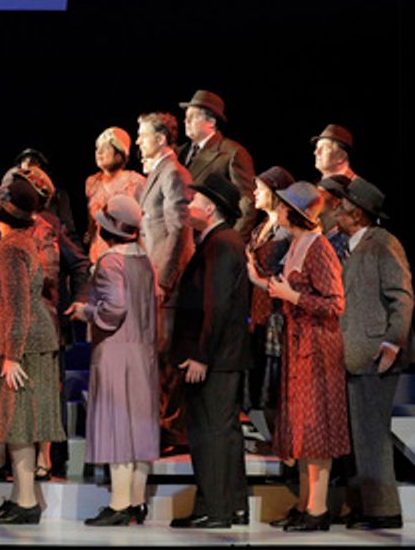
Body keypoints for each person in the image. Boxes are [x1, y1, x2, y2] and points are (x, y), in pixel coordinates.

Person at [246, 181, 350, 532]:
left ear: (295, 212)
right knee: (302, 429)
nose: (279, 209)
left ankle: (317, 511)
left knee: (316, 429)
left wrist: (294, 298)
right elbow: (288, 290)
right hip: (298, 345)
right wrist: (261, 282)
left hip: (318, 350)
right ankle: (306, 504)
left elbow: (335, 304)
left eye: (284, 205)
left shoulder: (319, 248)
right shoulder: (298, 244)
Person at [0, 178, 65, 525]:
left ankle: (27, 501)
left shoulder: (14, 248)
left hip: (24, 347)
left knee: (20, 423)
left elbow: (19, 306)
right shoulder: (12, 243)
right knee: (16, 425)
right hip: (20, 343)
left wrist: (12, 354)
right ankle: (20, 497)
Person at [68, 195, 158, 527]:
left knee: (118, 423)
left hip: (117, 352)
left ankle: (120, 505)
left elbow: (114, 307)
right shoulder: (144, 260)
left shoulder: (110, 261)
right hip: (143, 352)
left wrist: (85, 311)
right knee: (139, 426)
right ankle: (136, 501)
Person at [336, 178, 415, 530]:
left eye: (341, 207)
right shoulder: (352, 245)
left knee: (372, 433)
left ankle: (384, 511)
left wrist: (392, 341)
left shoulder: (382, 243)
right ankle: (369, 505)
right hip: (356, 352)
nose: (335, 211)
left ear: (356, 213)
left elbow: (402, 296)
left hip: (377, 353)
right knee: (361, 434)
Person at [168, 175, 251, 529]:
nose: (188, 205)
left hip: (216, 358)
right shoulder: (220, 241)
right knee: (221, 431)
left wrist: (202, 354)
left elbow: (216, 305)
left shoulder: (221, 244)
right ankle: (228, 506)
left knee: (211, 433)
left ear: (211, 207)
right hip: (222, 356)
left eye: (194, 199)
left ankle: (216, 509)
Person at [136, 112, 194, 452]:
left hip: (166, 284)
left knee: (167, 361)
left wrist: (165, 280)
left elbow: (179, 228)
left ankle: (172, 434)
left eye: (143, 135)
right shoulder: (159, 172)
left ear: (160, 139)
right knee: (157, 360)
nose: (139, 141)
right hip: (154, 279)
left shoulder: (173, 172)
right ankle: (161, 430)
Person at [245, 166, 294, 439]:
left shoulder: (285, 233)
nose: (254, 193)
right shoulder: (263, 227)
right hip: (260, 311)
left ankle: (284, 445)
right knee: (261, 381)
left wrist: (255, 276)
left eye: (260, 189)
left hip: (278, 314)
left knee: (276, 385)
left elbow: (286, 276)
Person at [177, 90, 256, 234]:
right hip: (179, 236)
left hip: (208, 239)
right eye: (186, 117)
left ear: (211, 122)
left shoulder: (232, 153)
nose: (186, 121)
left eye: (192, 117)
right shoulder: (179, 152)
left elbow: (247, 204)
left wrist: (233, 239)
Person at [84, 128, 146, 264]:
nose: (99, 152)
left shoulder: (135, 182)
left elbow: (143, 223)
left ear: (120, 153)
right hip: (98, 256)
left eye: (106, 148)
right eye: (97, 148)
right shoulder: (92, 183)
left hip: (125, 257)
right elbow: (91, 223)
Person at [15, 147, 78, 238]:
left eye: (34, 161)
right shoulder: (13, 193)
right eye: (24, 161)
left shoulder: (58, 194)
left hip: (50, 238)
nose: (28, 163)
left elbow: (68, 224)